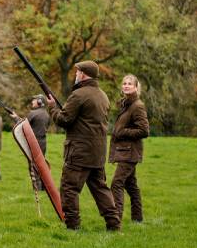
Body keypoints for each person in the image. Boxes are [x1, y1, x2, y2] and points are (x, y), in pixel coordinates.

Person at [47, 60, 121, 231]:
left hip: (79, 151)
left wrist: (52, 108)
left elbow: (64, 120)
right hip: (97, 152)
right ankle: (114, 223)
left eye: (78, 72)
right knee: (100, 189)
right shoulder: (103, 95)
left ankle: (72, 226)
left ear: (83, 74)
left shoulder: (78, 94)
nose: (75, 74)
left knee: (69, 188)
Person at [109, 74, 149, 223]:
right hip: (125, 151)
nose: (126, 86)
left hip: (130, 152)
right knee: (131, 185)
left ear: (136, 87)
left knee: (117, 183)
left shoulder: (137, 106)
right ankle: (137, 219)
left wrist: (122, 132)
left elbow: (144, 130)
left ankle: (115, 220)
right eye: (124, 83)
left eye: (129, 84)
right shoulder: (126, 104)